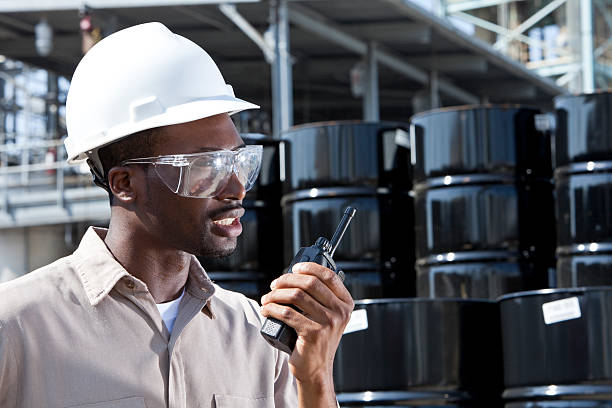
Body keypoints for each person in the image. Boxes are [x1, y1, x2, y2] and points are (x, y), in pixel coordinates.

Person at [0, 22, 353, 408]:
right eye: (205, 167)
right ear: (124, 184)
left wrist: (316, 376)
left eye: (238, 161)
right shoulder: (16, 328)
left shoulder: (258, 335)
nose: (236, 187)